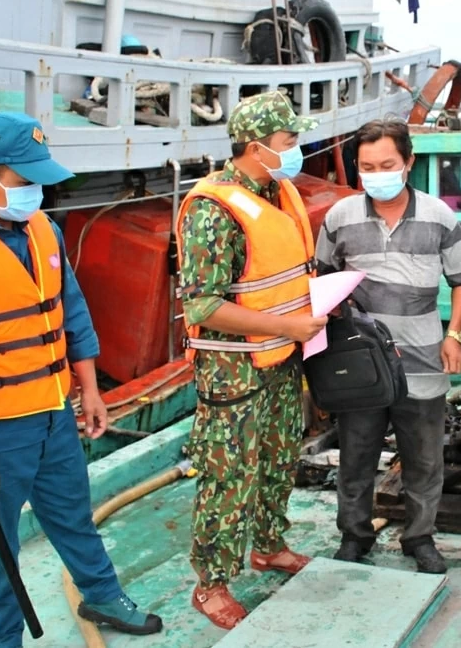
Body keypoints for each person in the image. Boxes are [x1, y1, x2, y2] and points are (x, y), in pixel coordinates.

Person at [0, 112, 162, 648]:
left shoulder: (43, 229)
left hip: (53, 413)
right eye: (26, 181)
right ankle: (5, 638)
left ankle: (102, 594)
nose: (36, 193)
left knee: (73, 513)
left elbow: (71, 310)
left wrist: (89, 390)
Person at [175, 90, 328, 629]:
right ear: (256, 147)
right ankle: (212, 583)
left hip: (282, 358)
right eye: (289, 140)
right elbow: (203, 305)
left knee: (279, 457)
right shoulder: (213, 210)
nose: (296, 147)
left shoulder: (278, 192)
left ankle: (268, 545)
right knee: (228, 474)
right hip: (233, 369)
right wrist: (287, 326)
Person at [314, 119, 461, 573]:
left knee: (424, 458)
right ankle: (354, 536)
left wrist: (454, 334)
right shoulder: (339, 217)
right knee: (356, 454)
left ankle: (420, 537)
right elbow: (323, 281)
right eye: (367, 167)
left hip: (423, 357)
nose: (377, 174)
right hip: (359, 363)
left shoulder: (439, 217)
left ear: (408, 162)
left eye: (386, 164)